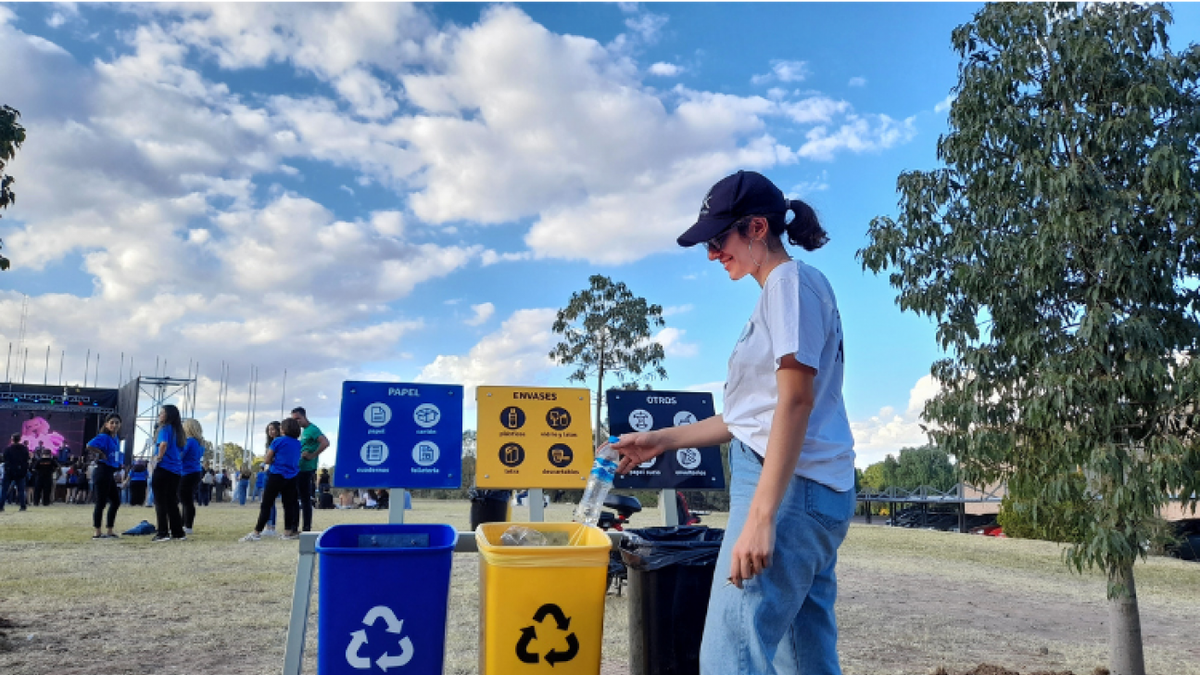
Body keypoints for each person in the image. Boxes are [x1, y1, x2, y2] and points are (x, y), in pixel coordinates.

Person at [612, 170, 856, 675]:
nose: (711, 254)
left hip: (786, 490)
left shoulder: (787, 285)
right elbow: (751, 416)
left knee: (730, 656)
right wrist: (660, 439)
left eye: (718, 239)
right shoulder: (799, 288)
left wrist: (761, 518)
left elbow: (795, 402)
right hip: (812, 488)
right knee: (804, 656)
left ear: (757, 228)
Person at [240, 418, 302, 542]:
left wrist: (274, 460)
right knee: (288, 505)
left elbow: (267, 460)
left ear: (284, 429)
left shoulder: (278, 441)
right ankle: (287, 532)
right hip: (292, 476)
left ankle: (257, 532)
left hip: (276, 474)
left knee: (267, 504)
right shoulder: (298, 443)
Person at [151, 405, 188, 542]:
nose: (159, 415)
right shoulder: (179, 432)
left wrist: (158, 458)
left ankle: (162, 532)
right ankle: (178, 532)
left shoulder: (165, 428)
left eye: (162, 413)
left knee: (160, 502)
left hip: (163, 468)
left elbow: (163, 444)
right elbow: (181, 450)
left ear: (168, 416)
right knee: (172, 502)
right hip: (176, 470)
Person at [291, 407, 329, 532]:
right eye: (293, 419)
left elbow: (325, 442)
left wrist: (313, 455)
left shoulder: (312, 429)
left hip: (306, 469)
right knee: (295, 498)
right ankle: (294, 526)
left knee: (305, 499)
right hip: (299, 468)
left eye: (298, 419)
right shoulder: (303, 431)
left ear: (304, 416)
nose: (296, 422)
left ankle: (306, 527)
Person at [87, 414, 124, 539]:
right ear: (106, 424)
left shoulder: (116, 438)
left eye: (117, 422)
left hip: (109, 472)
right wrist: (101, 453)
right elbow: (89, 445)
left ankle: (109, 530)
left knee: (115, 501)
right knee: (101, 502)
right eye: (112, 422)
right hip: (102, 470)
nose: (114, 425)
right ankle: (97, 532)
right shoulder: (103, 436)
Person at [179, 419, 206, 535]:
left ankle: (187, 525)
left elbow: (181, 455)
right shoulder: (200, 443)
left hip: (186, 472)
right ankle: (185, 524)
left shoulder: (189, 441)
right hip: (196, 472)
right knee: (188, 500)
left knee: (185, 500)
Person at [1, 432, 29, 512]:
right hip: (20, 471)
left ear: (12, 439)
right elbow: (26, 460)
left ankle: (1, 506)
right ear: (20, 439)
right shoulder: (24, 449)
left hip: (9, 471)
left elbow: (5, 459)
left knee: (4, 489)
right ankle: (23, 506)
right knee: (21, 490)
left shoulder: (8, 449)